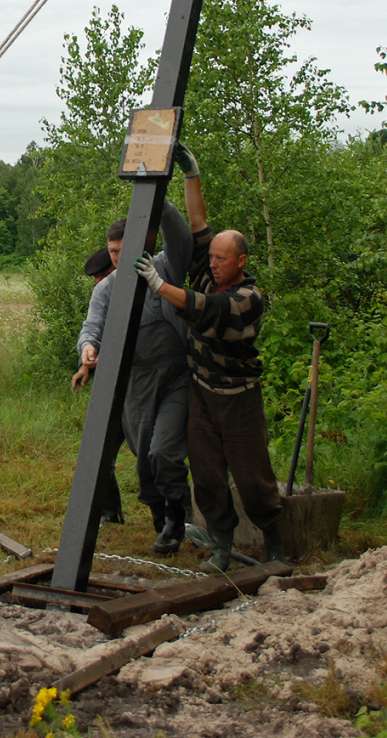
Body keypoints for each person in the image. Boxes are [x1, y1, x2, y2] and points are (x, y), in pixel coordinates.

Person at [75, 151, 209, 555]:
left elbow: (183, 238)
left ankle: (176, 516)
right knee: (144, 460)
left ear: (143, 242)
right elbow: (91, 328)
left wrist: (157, 197)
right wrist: (88, 350)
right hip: (134, 381)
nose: (118, 259)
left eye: (124, 250)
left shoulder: (166, 268)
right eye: (113, 253)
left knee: (164, 450)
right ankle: (164, 517)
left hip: (174, 376)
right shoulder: (106, 289)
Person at [135, 221, 283, 572]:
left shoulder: (248, 299)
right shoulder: (207, 274)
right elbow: (198, 225)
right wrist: (191, 173)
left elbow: (205, 308)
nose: (212, 263)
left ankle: (275, 545)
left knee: (252, 478)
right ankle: (221, 546)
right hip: (201, 393)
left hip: (239, 399)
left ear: (241, 261)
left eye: (221, 258)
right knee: (206, 476)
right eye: (212, 257)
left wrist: (158, 285)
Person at [72, 226, 126, 525]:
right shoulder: (102, 297)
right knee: (97, 453)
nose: (98, 283)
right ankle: (109, 511)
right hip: (110, 389)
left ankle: (179, 517)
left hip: (142, 386)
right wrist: (85, 365)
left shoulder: (137, 291)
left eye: (101, 275)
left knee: (156, 457)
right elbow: (93, 334)